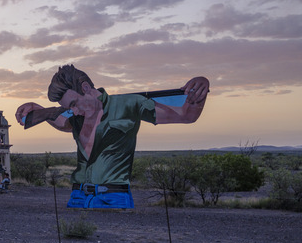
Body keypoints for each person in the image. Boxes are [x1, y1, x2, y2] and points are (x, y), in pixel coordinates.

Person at [15, 65, 210, 209]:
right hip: (77, 196)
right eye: (68, 108)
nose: (73, 111)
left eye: (74, 103)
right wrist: (36, 108)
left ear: (85, 88)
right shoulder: (76, 117)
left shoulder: (129, 104)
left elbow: (185, 115)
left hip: (112, 197)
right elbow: (60, 121)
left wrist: (201, 85)